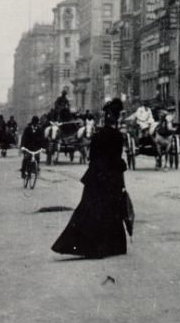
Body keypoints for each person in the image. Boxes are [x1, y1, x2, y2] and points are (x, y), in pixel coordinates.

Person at [52, 97, 128, 259]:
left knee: (89, 209)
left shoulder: (97, 134)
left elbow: (92, 157)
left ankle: (83, 244)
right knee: (111, 210)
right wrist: (121, 181)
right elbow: (117, 160)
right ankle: (111, 246)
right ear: (116, 117)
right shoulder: (117, 136)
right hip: (111, 178)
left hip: (95, 176)